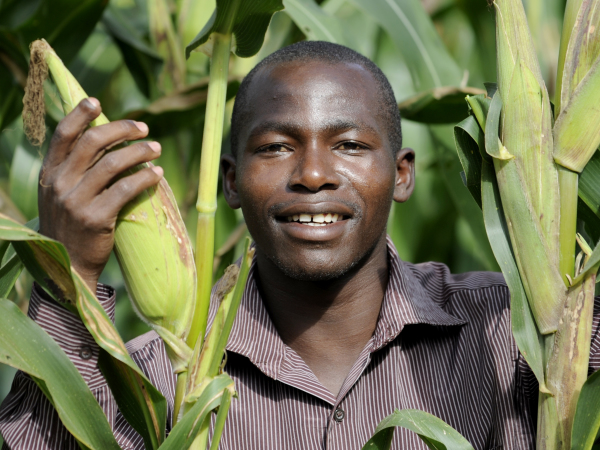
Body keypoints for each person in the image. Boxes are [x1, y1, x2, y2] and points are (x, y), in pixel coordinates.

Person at [1, 41, 599, 450]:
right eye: (276, 147)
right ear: (231, 182)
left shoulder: (518, 331)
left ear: (402, 174)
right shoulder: (159, 381)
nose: (313, 174)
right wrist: (67, 272)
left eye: (350, 146)